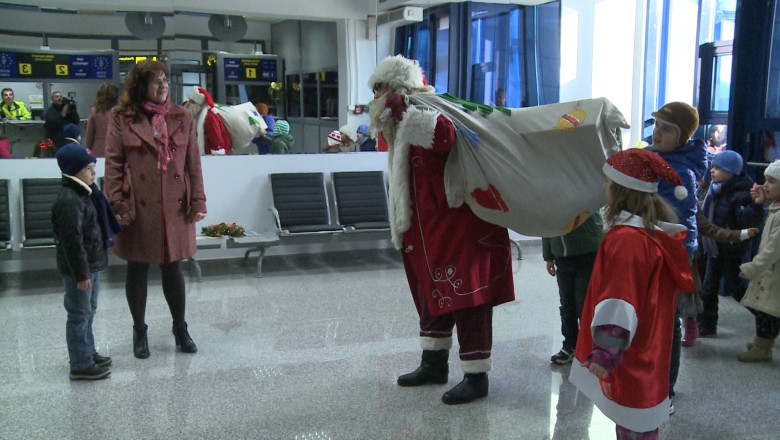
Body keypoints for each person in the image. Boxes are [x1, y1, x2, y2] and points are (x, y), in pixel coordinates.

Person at [368, 55, 515, 405]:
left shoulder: (431, 109)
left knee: (468, 299)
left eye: (379, 90)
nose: (375, 99)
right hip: (425, 228)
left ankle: (476, 376)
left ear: (397, 87)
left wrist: (405, 111)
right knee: (430, 292)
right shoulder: (400, 117)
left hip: (459, 223)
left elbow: (444, 138)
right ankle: (433, 362)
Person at [569, 148, 694, 440]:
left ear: (623, 191)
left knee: (633, 427)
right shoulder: (648, 235)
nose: (604, 186)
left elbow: (620, 299)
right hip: (647, 349)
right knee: (639, 424)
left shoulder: (626, 240)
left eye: (609, 182)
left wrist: (605, 351)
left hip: (629, 352)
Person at [103, 60, 207, 359]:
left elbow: (193, 164)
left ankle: (179, 328)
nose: (163, 85)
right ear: (140, 87)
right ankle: (139, 331)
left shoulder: (182, 116)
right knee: (136, 267)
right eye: (155, 81)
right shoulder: (121, 117)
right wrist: (117, 204)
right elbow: (113, 163)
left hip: (174, 205)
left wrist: (198, 200)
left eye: (165, 80)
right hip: (138, 204)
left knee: (173, 266)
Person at [644, 101, 706, 411]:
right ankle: (650, 382)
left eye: (666, 129)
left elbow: (670, 220)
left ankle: (665, 387)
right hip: (650, 253)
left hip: (670, 258)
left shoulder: (680, 173)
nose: (657, 132)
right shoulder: (654, 159)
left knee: (668, 323)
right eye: (656, 125)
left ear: (681, 137)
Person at [51, 142, 121, 380]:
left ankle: (88, 352)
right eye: (89, 169)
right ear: (73, 171)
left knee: (89, 311)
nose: (94, 173)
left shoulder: (86, 193)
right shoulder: (70, 200)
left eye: (94, 168)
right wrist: (81, 274)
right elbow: (72, 243)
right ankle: (80, 364)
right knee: (79, 314)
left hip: (91, 265)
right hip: (80, 270)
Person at [698, 150, 764, 337]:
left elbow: (747, 221)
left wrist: (756, 206)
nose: (712, 171)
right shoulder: (714, 189)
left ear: (731, 171)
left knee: (737, 290)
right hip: (714, 247)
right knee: (708, 288)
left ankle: (767, 318)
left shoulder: (742, 193)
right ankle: (708, 327)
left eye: (718, 168)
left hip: (731, 250)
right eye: (713, 166)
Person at [544, 212, 603, 365]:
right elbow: (544, 219)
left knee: (585, 305)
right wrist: (548, 255)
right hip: (562, 256)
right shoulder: (548, 193)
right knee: (567, 304)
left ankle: (590, 347)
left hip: (587, 251)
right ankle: (570, 345)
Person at [737, 160, 780, 362]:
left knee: (767, 311)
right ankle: (763, 344)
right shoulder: (775, 208)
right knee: (766, 310)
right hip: (770, 271)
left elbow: (773, 249)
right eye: (765, 180)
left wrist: (754, 267)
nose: (764, 185)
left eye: (771, 181)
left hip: (774, 272)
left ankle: (762, 348)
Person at [186, 86, 232, 155]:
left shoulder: (210, 117)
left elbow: (217, 143)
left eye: (191, 101)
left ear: (198, 103)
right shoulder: (200, 115)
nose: (188, 103)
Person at [86, 81, 119, 157]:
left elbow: (89, 135)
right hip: (116, 148)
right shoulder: (121, 112)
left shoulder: (94, 111)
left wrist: (88, 149)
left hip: (98, 149)